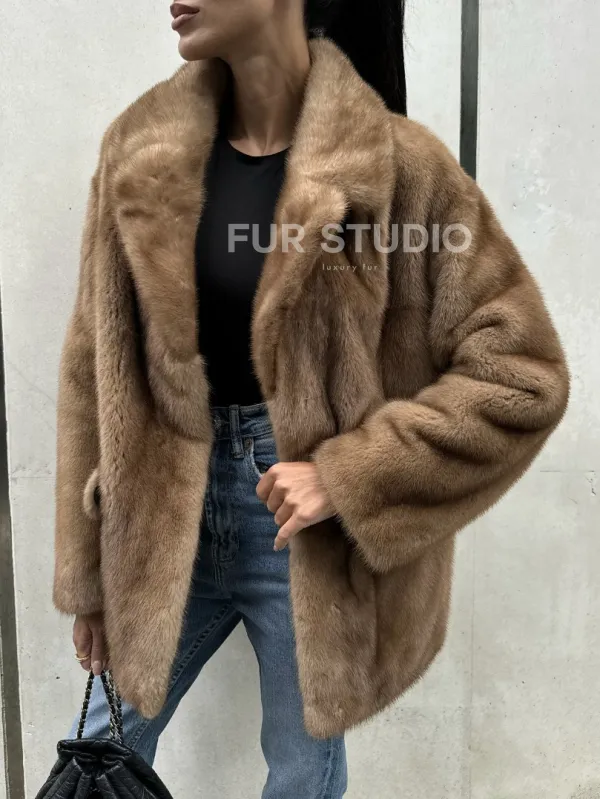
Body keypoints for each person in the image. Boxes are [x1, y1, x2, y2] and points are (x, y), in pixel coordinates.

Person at [53, 0, 569, 796]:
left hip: (300, 532)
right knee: (95, 757)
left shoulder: (400, 168)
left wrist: (350, 473)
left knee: (300, 774)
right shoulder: (141, 150)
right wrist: (89, 576)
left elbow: (522, 373)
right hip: (156, 511)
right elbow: (93, 369)